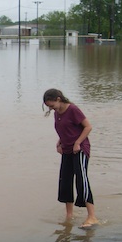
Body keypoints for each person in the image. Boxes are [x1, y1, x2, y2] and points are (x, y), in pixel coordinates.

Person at [43, 88, 99, 229]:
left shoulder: (73, 109)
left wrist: (78, 142)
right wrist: (60, 141)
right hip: (67, 149)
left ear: (59, 99)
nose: (50, 108)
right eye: (48, 106)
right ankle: (69, 215)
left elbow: (88, 127)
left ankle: (92, 217)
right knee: (65, 181)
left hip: (79, 149)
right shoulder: (57, 113)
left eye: (52, 105)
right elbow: (64, 129)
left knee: (82, 180)